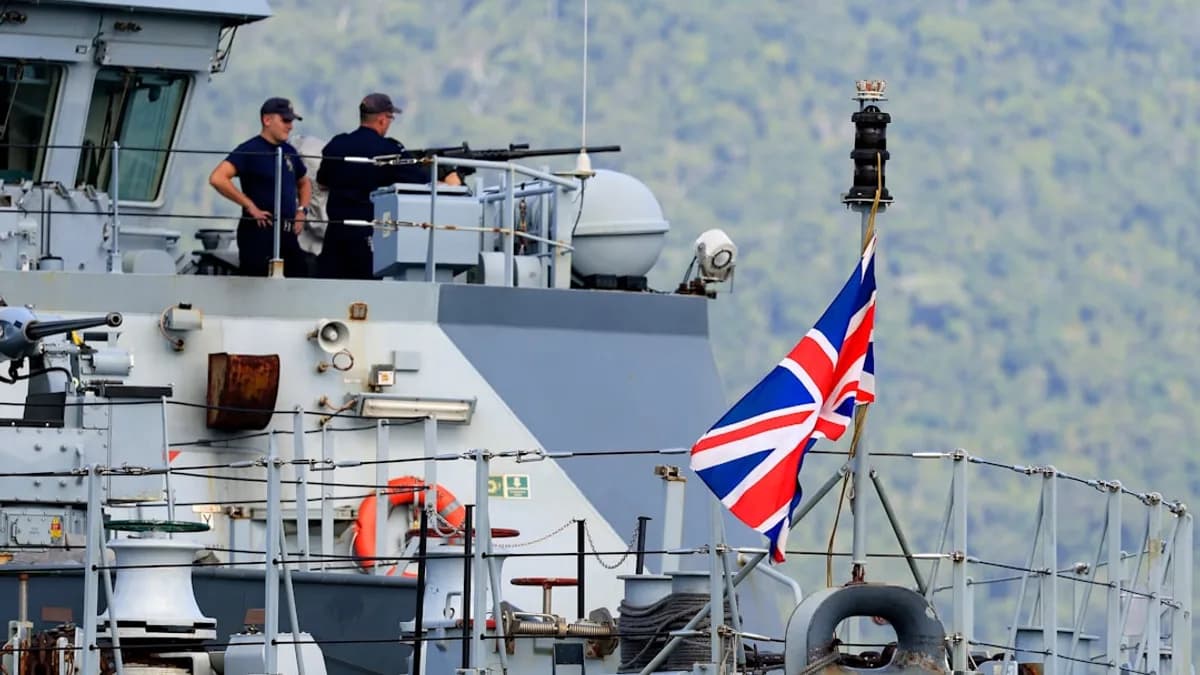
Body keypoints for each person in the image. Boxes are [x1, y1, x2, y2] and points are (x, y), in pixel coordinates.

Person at [315, 92, 460, 280]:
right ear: (382, 120)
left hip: (335, 233)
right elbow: (422, 183)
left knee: (330, 290)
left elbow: (322, 182)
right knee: (369, 294)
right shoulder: (388, 150)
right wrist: (451, 179)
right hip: (368, 234)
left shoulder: (337, 144)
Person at [208, 97, 312, 277]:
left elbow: (304, 182)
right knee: (257, 285)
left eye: (291, 121)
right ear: (267, 120)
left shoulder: (289, 151)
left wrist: (302, 210)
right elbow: (218, 178)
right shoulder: (250, 150)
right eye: (285, 121)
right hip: (259, 232)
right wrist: (250, 206)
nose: (290, 126)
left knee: (299, 280)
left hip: (287, 234)